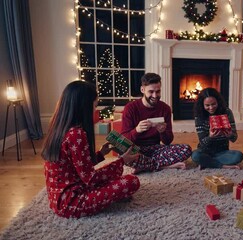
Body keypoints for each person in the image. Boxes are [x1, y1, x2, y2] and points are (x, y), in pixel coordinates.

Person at [41, 81, 140, 218]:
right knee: (131, 181)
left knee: (114, 173)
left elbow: (78, 167)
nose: (95, 110)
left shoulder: (58, 127)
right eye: (94, 106)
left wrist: (100, 154)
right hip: (72, 202)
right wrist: (121, 161)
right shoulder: (77, 134)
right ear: (84, 107)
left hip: (57, 198)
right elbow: (91, 179)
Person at [121, 73, 192, 172]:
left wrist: (162, 132)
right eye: (151, 92)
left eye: (158, 91)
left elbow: (168, 141)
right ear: (142, 90)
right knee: (122, 152)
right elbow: (123, 140)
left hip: (156, 149)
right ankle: (164, 166)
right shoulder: (130, 108)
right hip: (136, 149)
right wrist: (136, 130)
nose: (155, 96)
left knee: (186, 149)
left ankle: (145, 165)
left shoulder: (165, 108)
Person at [191, 88, 243, 169]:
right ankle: (222, 165)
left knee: (238, 156)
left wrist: (229, 135)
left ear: (218, 102)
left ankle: (207, 162)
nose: (211, 108)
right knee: (195, 155)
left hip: (222, 152)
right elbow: (202, 143)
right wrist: (210, 137)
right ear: (202, 105)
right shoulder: (199, 115)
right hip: (205, 151)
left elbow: (234, 138)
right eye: (207, 105)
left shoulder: (227, 112)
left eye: (213, 104)